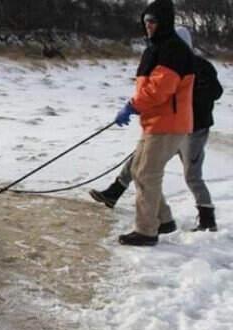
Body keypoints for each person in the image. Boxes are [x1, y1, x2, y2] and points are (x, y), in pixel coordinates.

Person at [90, 25, 222, 234]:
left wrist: (184, 101)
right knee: (140, 162)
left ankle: (207, 218)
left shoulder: (200, 66)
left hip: (193, 130)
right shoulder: (164, 64)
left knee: (191, 175)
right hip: (167, 125)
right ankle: (115, 193)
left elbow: (214, 92)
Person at [100, 0, 195, 246]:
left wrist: (132, 106)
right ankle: (164, 221)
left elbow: (159, 90)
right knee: (138, 170)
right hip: (156, 122)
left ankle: (146, 231)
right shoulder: (158, 47)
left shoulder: (172, 49)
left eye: (152, 22)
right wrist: (136, 107)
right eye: (146, 22)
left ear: (163, 23)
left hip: (168, 123)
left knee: (147, 174)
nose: (148, 26)